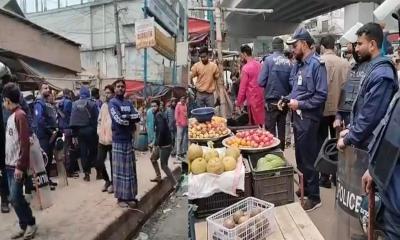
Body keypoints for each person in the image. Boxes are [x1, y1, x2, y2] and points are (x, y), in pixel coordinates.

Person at [334, 23, 399, 239]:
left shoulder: (382, 74)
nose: (356, 48)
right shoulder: (372, 69)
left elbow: (373, 116)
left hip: (379, 155)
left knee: (380, 211)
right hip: (373, 151)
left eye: (360, 44)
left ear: (372, 44)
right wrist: (351, 128)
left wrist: (351, 136)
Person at [286, 27, 328, 211]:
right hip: (298, 116)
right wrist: (288, 100)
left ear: (304, 44)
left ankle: (314, 196)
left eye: (295, 45)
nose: (293, 49)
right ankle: (305, 186)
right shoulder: (299, 64)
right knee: (300, 155)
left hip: (309, 118)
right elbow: (297, 90)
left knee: (308, 157)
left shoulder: (317, 65)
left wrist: (300, 104)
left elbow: (321, 95)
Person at [3, 82, 37, 239]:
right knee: (13, 198)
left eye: (4, 101)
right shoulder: (11, 117)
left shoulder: (20, 116)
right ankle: (23, 225)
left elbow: (24, 143)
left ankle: (31, 223)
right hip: (9, 165)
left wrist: (20, 166)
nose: (3, 104)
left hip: (17, 165)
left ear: (8, 100)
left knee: (16, 197)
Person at [318, 35, 351, 188]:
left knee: (323, 142)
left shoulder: (318, 61)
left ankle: (324, 176)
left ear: (323, 47)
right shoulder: (344, 63)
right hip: (339, 110)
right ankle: (337, 176)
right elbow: (348, 89)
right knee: (338, 142)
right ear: (334, 46)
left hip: (322, 108)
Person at [109, 80, 140, 208]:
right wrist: (129, 118)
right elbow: (118, 120)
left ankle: (130, 196)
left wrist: (126, 117)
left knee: (130, 171)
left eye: (123, 87)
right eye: (118, 86)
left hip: (128, 140)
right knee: (120, 172)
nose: (121, 88)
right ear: (114, 89)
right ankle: (121, 198)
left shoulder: (128, 103)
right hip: (118, 141)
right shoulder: (112, 103)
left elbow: (137, 116)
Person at [258, 37, 293, 150]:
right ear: (282, 48)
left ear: (273, 47)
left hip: (271, 102)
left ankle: (273, 152)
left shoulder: (268, 61)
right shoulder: (289, 63)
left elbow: (260, 82)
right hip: (284, 102)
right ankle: (281, 152)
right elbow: (292, 85)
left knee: (270, 131)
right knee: (282, 128)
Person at [69, 86, 99, 182]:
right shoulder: (92, 103)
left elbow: (72, 120)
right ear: (88, 93)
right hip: (91, 131)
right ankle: (94, 169)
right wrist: (96, 131)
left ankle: (86, 173)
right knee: (94, 151)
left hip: (79, 132)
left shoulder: (74, 104)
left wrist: (74, 135)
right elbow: (96, 118)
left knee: (83, 152)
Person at [33, 83, 58, 189]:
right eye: (45, 88)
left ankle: (47, 180)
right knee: (45, 158)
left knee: (49, 157)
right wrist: (49, 130)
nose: (48, 90)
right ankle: (44, 184)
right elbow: (39, 120)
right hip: (43, 135)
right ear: (40, 90)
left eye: (48, 88)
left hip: (50, 135)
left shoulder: (46, 103)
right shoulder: (39, 103)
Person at [149, 100, 177, 186]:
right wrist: (155, 142)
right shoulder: (157, 114)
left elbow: (161, 130)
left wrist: (155, 143)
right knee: (153, 159)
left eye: (155, 106)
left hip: (165, 145)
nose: (153, 108)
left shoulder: (158, 115)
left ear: (158, 106)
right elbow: (158, 131)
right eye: (152, 106)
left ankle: (174, 183)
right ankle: (158, 177)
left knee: (164, 165)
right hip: (161, 144)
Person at [236, 45, 265, 126]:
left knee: (254, 125)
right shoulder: (260, 65)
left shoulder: (246, 68)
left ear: (244, 54)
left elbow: (242, 88)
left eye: (241, 55)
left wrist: (238, 103)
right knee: (261, 123)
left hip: (252, 100)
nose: (240, 57)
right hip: (261, 99)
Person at [97, 85, 114, 193]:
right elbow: (99, 121)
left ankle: (113, 183)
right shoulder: (103, 106)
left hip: (113, 140)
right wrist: (99, 132)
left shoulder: (115, 105)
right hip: (102, 139)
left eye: (108, 93)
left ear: (113, 93)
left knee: (113, 163)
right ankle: (107, 180)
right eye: (105, 93)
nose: (107, 95)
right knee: (99, 162)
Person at [57, 89, 77, 178]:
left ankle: (65, 170)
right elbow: (71, 116)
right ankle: (69, 171)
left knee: (64, 150)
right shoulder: (69, 102)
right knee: (68, 150)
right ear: (68, 94)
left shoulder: (59, 102)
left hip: (62, 129)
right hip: (68, 128)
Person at [175, 96, 188, 160]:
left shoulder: (185, 105)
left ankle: (182, 152)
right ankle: (178, 153)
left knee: (184, 139)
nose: (183, 100)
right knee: (179, 139)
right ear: (180, 100)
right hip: (179, 125)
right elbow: (176, 115)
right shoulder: (178, 105)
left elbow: (186, 115)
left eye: (184, 99)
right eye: (182, 99)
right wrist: (178, 122)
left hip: (184, 125)